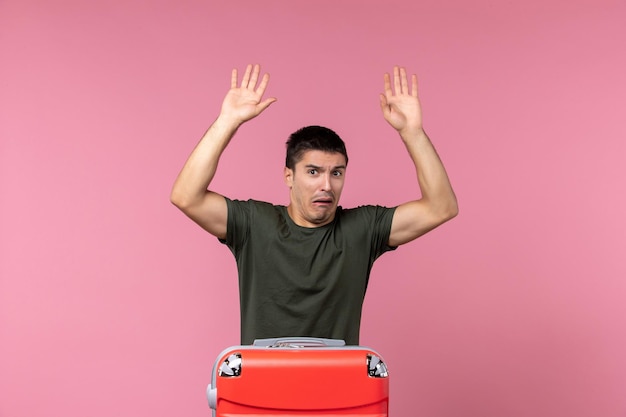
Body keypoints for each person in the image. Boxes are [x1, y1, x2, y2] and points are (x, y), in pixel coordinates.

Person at [170, 64, 458, 345]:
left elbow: (440, 207)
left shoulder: (362, 228)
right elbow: (186, 196)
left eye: (336, 173)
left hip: (338, 390)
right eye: (313, 172)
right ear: (289, 176)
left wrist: (413, 133)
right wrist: (227, 122)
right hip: (262, 389)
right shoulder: (253, 224)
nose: (326, 185)